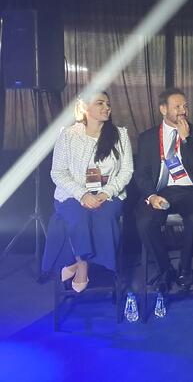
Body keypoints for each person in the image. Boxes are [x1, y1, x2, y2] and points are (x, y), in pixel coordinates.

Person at [42, 92, 133, 292]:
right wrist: (82, 195)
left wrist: (105, 193)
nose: (106, 107)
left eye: (108, 103)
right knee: (79, 216)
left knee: (104, 216)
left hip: (108, 194)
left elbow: (126, 171)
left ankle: (80, 263)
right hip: (72, 194)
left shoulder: (120, 135)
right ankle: (82, 265)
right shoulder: (68, 135)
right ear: (85, 108)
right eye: (100, 103)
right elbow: (58, 172)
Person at [134, 88, 193, 290]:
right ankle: (165, 269)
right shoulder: (147, 137)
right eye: (177, 106)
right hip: (161, 190)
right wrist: (151, 196)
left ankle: (185, 268)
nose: (183, 110)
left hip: (190, 190)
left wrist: (186, 140)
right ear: (163, 109)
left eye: (185, 106)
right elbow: (141, 173)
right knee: (144, 222)